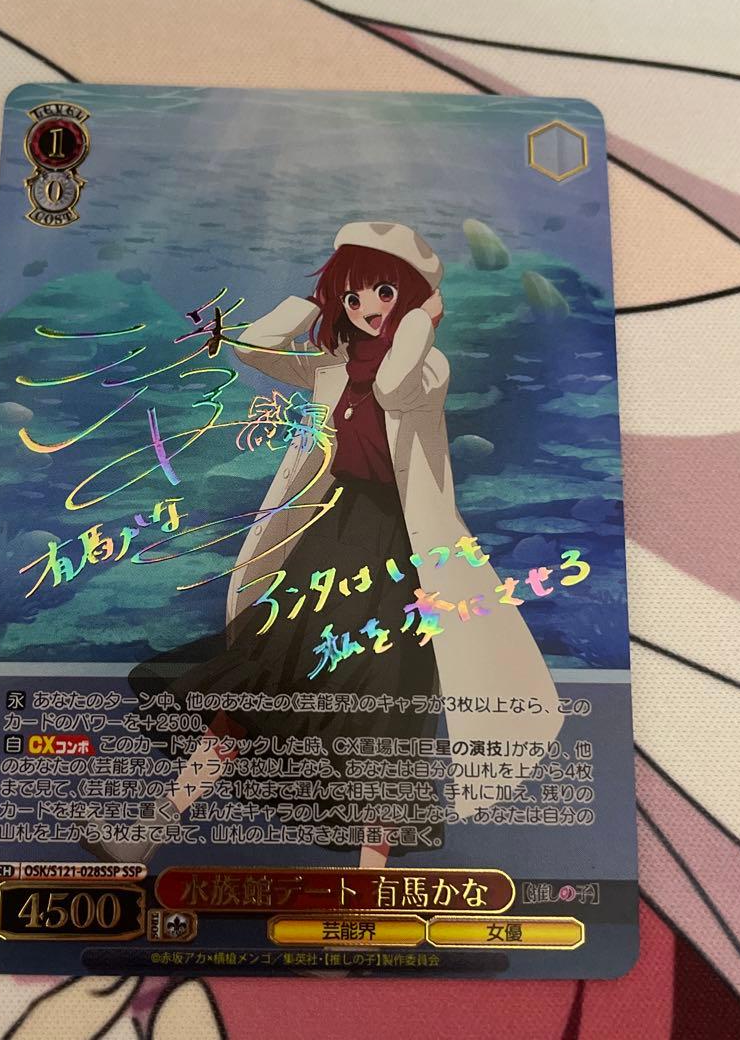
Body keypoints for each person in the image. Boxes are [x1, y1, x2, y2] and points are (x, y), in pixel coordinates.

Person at [95, 221, 560, 869]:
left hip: (402, 553)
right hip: (329, 538)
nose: (368, 308)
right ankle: (150, 828)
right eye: (353, 296)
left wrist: (420, 320)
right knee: (257, 680)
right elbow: (255, 348)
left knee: (385, 716)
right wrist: (313, 303)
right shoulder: (332, 368)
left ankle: (369, 887)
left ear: (412, 298)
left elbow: (394, 386)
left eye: (384, 293)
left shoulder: (429, 367)